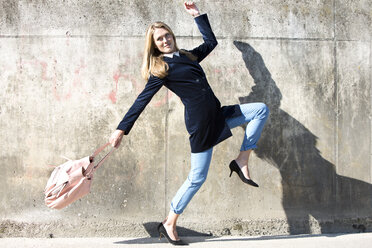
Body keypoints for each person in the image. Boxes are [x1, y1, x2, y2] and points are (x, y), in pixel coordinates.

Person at [109, 1, 269, 245]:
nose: (165, 41)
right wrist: (122, 129)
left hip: (219, 114)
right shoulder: (160, 69)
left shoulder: (188, 56)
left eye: (167, 36)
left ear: (172, 36)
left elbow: (210, 43)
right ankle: (170, 221)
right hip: (201, 125)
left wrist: (197, 16)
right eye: (159, 40)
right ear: (154, 46)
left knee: (260, 110)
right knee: (197, 177)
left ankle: (242, 160)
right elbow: (141, 101)